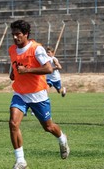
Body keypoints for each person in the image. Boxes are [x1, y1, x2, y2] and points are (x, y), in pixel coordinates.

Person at [8, 20, 70, 169]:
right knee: (13, 123)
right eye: (13, 35)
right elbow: (15, 67)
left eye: (18, 34)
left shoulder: (37, 49)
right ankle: (21, 161)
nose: (15, 37)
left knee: (48, 127)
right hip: (20, 93)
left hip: (38, 95)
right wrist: (13, 74)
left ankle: (62, 138)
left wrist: (27, 71)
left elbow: (49, 69)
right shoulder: (12, 49)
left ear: (26, 34)